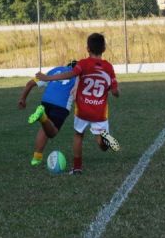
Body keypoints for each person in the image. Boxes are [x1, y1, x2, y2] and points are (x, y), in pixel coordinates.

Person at [36, 32, 120, 175]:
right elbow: (115, 91)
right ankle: (106, 137)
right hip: (99, 112)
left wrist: (48, 77)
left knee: (78, 135)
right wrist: (116, 92)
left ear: (87, 48)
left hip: (82, 109)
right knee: (102, 145)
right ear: (104, 49)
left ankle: (77, 168)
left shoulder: (82, 64)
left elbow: (69, 74)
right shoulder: (108, 67)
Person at [19, 60, 78, 166]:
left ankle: (36, 158)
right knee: (52, 132)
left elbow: (30, 83)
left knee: (45, 128)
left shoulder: (55, 70)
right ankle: (42, 116)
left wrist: (22, 99)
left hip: (46, 101)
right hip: (61, 105)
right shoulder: (78, 75)